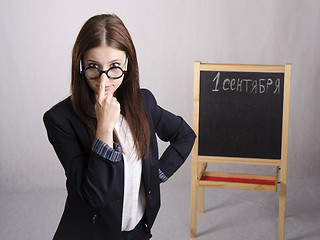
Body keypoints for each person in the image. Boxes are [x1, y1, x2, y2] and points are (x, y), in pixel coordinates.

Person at [43, 14, 196, 240]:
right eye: (93, 67)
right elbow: (94, 196)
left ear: (127, 63)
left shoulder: (144, 103)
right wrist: (104, 128)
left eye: (114, 67)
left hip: (138, 231)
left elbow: (184, 135)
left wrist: (156, 174)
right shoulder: (61, 119)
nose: (104, 82)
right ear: (80, 65)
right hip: (91, 234)